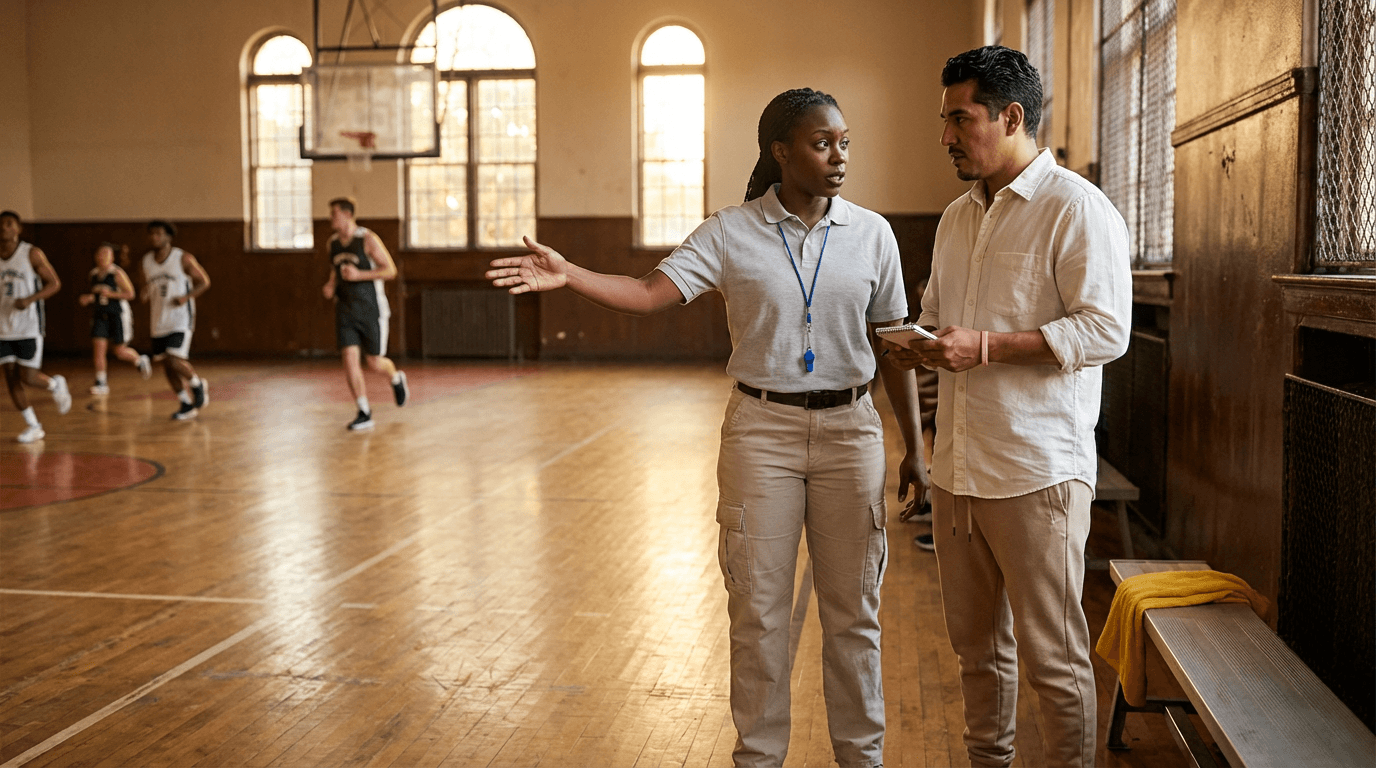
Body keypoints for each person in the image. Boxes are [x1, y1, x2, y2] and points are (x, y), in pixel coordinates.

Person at [488, 88, 925, 768]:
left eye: (844, 140)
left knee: (854, 618)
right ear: (781, 152)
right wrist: (569, 272)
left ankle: (860, 759)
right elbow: (645, 293)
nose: (839, 155)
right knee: (758, 616)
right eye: (821, 142)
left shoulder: (873, 234)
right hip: (762, 434)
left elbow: (894, 344)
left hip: (852, 433)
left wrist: (916, 452)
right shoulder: (729, 231)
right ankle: (757, 758)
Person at [884, 47, 1131, 768]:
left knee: (1053, 663)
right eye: (945, 120)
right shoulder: (958, 217)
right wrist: (919, 347)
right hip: (960, 470)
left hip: (1037, 473)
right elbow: (938, 315)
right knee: (976, 654)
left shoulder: (1076, 209)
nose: (946, 136)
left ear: (1012, 116)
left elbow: (1106, 330)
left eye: (961, 118)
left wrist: (986, 347)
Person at [320, 196, 408, 431]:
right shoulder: (333, 243)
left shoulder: (367, 239)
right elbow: (335, 270)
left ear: (347, 215)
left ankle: (396, 378)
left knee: (374, 362)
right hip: (345, 309)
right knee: (349, 359)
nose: (330, 218)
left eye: (334, 213)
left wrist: (359, 275)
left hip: (371, 309)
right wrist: (331, 285)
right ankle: (363, 410)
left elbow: (390, 270)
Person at [0, 210, 71, 443]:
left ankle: (54, 384)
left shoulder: (31, 253)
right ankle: (34, 425)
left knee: (28, 377)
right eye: (1, 224)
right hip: (2, 327)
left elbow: (54, 283)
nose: (4, 228)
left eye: (9, 224)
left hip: (28, 325)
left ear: (18, 229)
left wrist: (29, 299)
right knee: (10, 377)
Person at [140, 220, 210, 420]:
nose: (155, 237)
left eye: (159, 234)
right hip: (158, 319)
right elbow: (145, 287)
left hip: (180, 318)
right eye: (152, 234)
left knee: (174, 358)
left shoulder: (182, 258)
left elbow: (204, 281)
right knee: (166, 365)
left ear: (168, 237)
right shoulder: (146, 261)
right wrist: (144, 293)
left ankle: (196, 384)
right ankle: (185, 403)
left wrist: (186, 297)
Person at [78, 242, 151, 394]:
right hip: (100, 314)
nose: (102, 257)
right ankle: (101, 382)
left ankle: (139, 360)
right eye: (100, 253)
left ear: (111, 258)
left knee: (119, 351)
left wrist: (111, 295)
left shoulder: (117, 274)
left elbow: (130, 294)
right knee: (98, 348)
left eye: (106, 254)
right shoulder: (93, 274)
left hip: (117, 314)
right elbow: (97, 295)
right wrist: (89, 298)